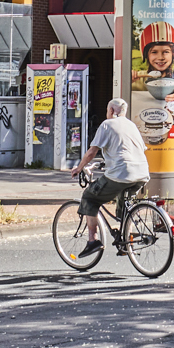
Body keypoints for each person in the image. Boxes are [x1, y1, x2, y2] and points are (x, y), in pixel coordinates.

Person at [68, 99, 150, 257]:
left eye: (107, 110)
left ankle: (93, 240)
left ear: (111, 111)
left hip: (121, 173)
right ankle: (127, 241)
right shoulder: (131, 126)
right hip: (141, 173)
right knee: (126, 207)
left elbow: (92, 152)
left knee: (89, 197)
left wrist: (79, 168)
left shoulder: (107, 124)